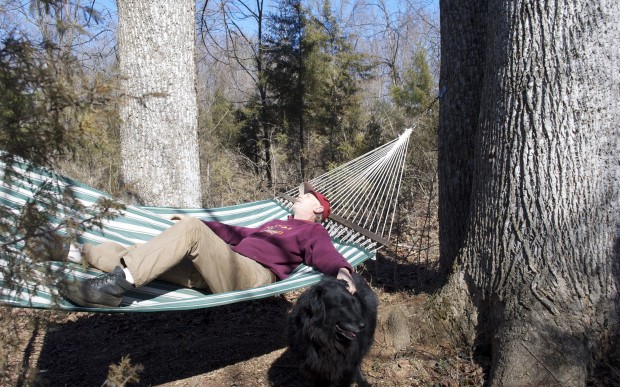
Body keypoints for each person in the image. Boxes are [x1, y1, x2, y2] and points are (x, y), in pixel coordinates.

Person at [61, 183, 356, 308]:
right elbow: (233, 232)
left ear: (319, 210)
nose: (300, 196)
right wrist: (193, 221)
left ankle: (112, 289)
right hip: (217, 266)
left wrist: (342, 271)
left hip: (250, 276)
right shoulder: (272, 224)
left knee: (190, 230)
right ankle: (71, 251)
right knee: (139, 252)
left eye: (308, 196)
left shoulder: (312, 232)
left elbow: (326, 254)